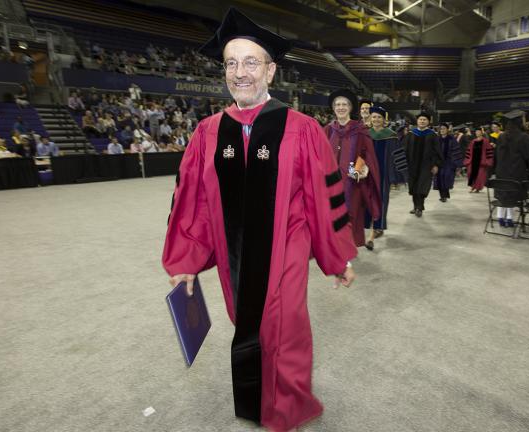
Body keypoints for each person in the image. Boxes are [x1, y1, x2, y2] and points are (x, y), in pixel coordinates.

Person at [163, 8, 357, 431]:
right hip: (234, 252)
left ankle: (287, 408)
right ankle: (255, 399)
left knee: (285, 330)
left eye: (251, 62)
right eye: (231, 63)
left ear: (271, 70)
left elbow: (325, 200)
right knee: (247, 326)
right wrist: (185, 262)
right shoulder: (207, 132)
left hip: (286, 247)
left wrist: (337, 257)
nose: (239, 72)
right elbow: (191, 201)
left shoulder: (302, 128)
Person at [324, 89, 382, 248]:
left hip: (352, 183)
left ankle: (345, 247)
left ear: (350, 108)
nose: (341, 107)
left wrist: (363, 168)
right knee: (331, 215)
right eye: (338, 104)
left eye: (344, 104)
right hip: (330, 184)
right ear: (333, 108)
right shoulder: (328, 130)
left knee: (351, 215)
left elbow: (368, 155)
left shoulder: (360, 130)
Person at [364, 105, 396, 250]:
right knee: (365, 200)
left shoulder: (391, 135)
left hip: (383, 174)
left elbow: (397, 156)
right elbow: (357, 154)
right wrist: (354, 172)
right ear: (370, 118)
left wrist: (395, 177)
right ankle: (368, 227)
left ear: (384, 120)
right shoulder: (365, 134)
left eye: (379, 117)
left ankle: (373, 233)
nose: (376, 119)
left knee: (381, 200)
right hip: (366, 174)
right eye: (374, 117)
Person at [494, 110, 529, 227]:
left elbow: (497, 156)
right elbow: (528, 156)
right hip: (517, 172)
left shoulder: (501, 136)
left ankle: (500, 217)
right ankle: (510, 218)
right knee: (512, 194)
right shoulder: (524, 137)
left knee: (503, 193)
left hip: (501, 171)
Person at [402, 112, 442, 216]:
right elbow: (404, 149)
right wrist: (403, 163)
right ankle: (416, 206)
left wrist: (436, 165)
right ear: (417, 121)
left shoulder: (432, 135)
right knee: (414, 186)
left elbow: (437, 151)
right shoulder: (411, 134)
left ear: (428, 122)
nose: (422, 121)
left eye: (425, 120)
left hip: (427, 165)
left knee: (422, 186)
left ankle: (419, 207)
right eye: (420, 119)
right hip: (412, 165)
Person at [433, 123, 462, 202]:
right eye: (440, 129)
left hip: (449, 163)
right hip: (439, 163)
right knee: (439, 179)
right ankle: (443, 196)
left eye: (443, 128)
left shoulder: (452, 139)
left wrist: (457, 165)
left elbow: (456, 152)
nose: (442, 130)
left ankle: (445, 194)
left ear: (447, 130)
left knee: (446, 178)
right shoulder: (437, 139)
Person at [464, 127, 493, 193]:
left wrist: (488, 160)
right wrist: (468, 159)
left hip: (482, 161)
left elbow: (489, 151)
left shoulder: (485, 141)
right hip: (473, 160)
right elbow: (469, 151)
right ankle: (472, 187)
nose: (477, 133)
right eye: (476, 132)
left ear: (481, 132)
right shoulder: (473, 141)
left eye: (478, 131)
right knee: (471, 173)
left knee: (479, 175)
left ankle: (477, 188)